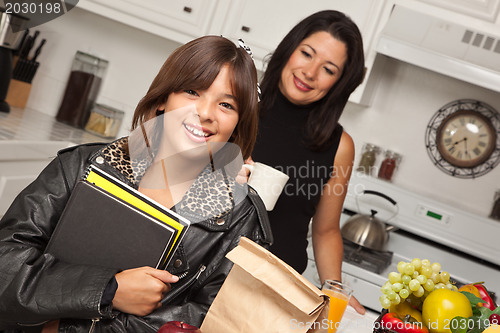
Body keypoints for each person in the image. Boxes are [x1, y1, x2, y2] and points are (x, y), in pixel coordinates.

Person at [0, 36, 272, 332]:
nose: (205, 113)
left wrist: (66, 326)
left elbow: (214, 322)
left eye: (226, 104)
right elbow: (6, 265)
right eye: (192, 91)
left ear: (237, 125)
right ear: (161, 100)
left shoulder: (241, 220)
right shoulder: (81, 166)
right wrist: (108, 290)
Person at [249, 10, 366, 314]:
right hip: (203, 275)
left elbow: (326, 230)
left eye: (328, 69)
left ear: (339, 84)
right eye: (306, 54)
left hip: (276, 294)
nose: (310, 72)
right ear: (290, 49)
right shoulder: (237, 103)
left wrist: (334, 289)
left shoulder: (340, 147)